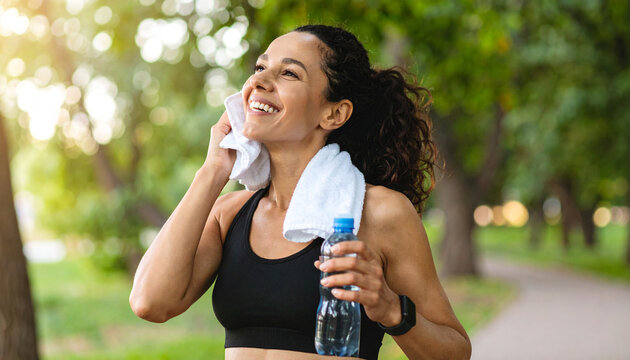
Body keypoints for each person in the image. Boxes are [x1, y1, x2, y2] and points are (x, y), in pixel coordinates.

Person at [129, 24, 471, 360]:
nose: (259, 81)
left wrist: (391, 309)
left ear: (334, 113)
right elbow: (150, 302)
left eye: (289, 74)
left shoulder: (380, 213)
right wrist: (213, 171)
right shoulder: (229, 213)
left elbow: (454, 351)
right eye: (261, 67)